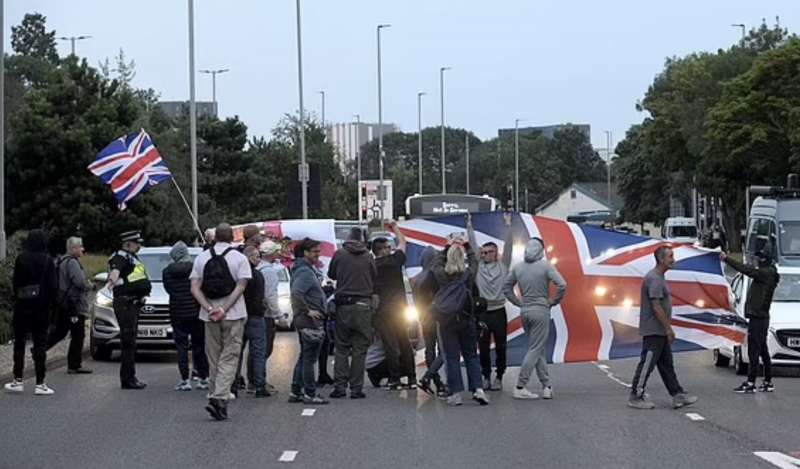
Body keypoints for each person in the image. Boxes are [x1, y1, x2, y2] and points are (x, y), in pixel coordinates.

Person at [420, 223, 489, 407]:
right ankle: (478, 389)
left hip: (446, 320)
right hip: (466, 319)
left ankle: (456, 393)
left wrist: (447, 247)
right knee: (471, 355)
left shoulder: (442, 275)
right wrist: (466, 246)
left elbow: (434, 264)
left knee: (451, 357)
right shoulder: (467, 275)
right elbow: (475, 262)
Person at [190, 223, 251, 421]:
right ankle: (219, 397)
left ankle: (215, 396)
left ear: (214, 237)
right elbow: (241, 287)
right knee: (230, 356)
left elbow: (195, 288)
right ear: (233, 237)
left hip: (208, 314)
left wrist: (209, 308)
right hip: (233, 313)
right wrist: (224, 309)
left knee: (214, 357)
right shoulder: (240, 258)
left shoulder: (202, 257)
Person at [627, 246, 698, 410]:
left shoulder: (659, 277)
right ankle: (635, 396)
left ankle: (677, 394)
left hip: (659, 330)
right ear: (661, 259)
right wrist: (668, 328)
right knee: (647, 363)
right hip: (654, 330)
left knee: (666, 364)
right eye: (670, 256)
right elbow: (656, 306)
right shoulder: (655, 279)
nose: (673, 260)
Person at [503, 237, 566, 400]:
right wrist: (553, 301)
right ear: (540, 251)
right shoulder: (545, 266)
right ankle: (520, 386)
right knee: (535, 349)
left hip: (525, 311)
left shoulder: (518, 267)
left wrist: (517, 302)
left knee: (537, 349)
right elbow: (562, 284)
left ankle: (547, 386)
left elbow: (506, 287)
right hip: (541, 310)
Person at [4, 229, 57, 395]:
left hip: (22, 307)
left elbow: (15, 283)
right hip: (41, 309)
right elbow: (53, 287)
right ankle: (40, 383)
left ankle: (17, 379)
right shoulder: (48, 260)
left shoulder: (21, 258)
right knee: (40, 344)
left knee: (19, 343)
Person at [721, 246, 779, 393]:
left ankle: (751, 382)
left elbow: (746, 270)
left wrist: (726, 258)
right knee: (763, 349)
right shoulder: (768, 273)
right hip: (760, 316)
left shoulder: (766, 273)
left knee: (754, 349)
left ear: (767, 260)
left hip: (758, 317)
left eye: (761, 257)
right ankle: (767, 381)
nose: (758, 260)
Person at [327, 227, 376, 399]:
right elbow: (374, 277)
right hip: (363, 305)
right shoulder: (369, 257)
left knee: (341, 347)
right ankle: (356, 388)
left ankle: (340, 387)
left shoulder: (339, 254)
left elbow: (331, 274)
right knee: (359, 349)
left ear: (348, 239)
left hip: (344, 306)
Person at [471, 212, 514, 391]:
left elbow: (509, 246)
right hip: (483, 313)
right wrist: (469, 225)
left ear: (496, 253)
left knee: (501, 346)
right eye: (484, 252)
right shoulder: (478, 266)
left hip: (498, 312)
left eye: (490, 252)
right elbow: (473, 245)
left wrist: (508, 225)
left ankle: (500, 376)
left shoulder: (503, 265)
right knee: (483, 346)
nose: (487, 254)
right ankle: (486, 376)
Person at [371, 221, 415, 390]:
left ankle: (394, 379)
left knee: (390, 345)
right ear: (382, 249)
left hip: (382, 310)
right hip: (399, 309)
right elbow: (403, 243)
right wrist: (395, 227)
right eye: (388, 247)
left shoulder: (372, 265)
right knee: (405, 342)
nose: (390, 249)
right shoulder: (395, 261)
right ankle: (411, 378)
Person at [107, 230, 152, 390]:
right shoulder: (120, 257)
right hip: (126, 303)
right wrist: (111, 280)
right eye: (136, 243)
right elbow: (115, 271)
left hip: (132, 303)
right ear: (127, 244)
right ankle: (128, 379)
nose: (139, 245)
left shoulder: (132, 257)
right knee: (127, 342)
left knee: (131, 341)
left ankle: (130, 377)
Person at [163, 241, 208, 391]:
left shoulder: (167, 271)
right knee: (199, 346)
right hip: (195, 312)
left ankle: (184, 379)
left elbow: (168, 289)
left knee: (181, 347)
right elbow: (201, 288)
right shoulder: (195, 269)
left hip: (177, 312)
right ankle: (202, 378)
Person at [288, 238, 329, 405]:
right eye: (315, 252)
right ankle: (310, 393)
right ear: (305, 253)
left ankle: (296, 391)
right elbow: (297, 293)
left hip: (304, 318)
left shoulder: (304, 269)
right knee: (310, 358)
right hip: (308, 320)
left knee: (304, 356)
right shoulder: (304, 272)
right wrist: (308, 310)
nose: (318, 255)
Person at [46, 236, 93, 374]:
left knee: (60, 332)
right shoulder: (72, 262)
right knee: (78, 335)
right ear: (73, 249)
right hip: (75, 305)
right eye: (80, 247)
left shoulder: (61, 261)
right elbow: (79, 282)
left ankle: (39, 348)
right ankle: (74, 364)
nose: (83, 249)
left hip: (64, 303)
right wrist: (90, 285)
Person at [415, 246, 448, 398]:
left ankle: (436, 381)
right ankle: (430, 377)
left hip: (423, 317)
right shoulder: (435, 276)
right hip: (437, 316)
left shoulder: (417, 278)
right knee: (444, 350)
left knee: (430, 349)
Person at [238, 245, 269, 398]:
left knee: (236, 352)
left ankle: (233, 384)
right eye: (257, 256)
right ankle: (260, 385)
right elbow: (260, 298)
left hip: (239, 317)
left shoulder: (237, 274)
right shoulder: (257, 276)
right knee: (258, 352)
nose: (259, 259)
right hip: (255, 317)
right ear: (249, 257)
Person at [257, 240, 284, 394]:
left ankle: (255, 380)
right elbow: (270, 296)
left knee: (257, 350)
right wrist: (279, 315)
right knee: (265, 350)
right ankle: (260, 382)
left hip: (255, 312)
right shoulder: (269, 271)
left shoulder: (258, 267)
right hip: (266, 315)